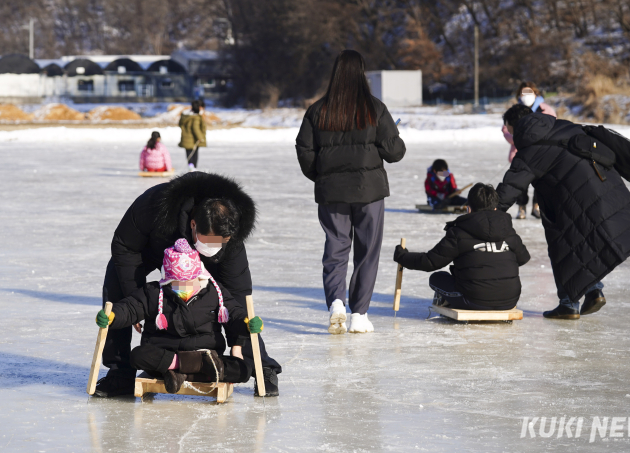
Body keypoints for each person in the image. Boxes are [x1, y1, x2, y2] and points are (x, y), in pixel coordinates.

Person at [95, 171, 282, 398]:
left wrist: (241, 338)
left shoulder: (229, 232)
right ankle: (119, 374)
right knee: (116, 284)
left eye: (220, 242)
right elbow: (124, 246)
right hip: (151, 250)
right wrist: (133, 301)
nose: (213, 245)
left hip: (204, 261)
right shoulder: (155, 205)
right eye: (209, 240)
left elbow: (238, 295)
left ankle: (263, 367)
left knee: (239, 311)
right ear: (193, 224)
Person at [497, 104, 630, 319]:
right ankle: (593, 291)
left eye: (507, 128)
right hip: (602, 188)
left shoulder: (530, 147)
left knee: (564, 246)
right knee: (583, 243)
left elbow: (511, 187)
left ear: (515, 126)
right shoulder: (563, 126)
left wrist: (486, 211)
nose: (506, 132)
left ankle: (569, 304)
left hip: (569, 200)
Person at [295, 49, 406, 334]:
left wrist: (320, 176)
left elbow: (304, 148)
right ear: (361, 73)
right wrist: (391, 136)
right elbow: (395, 152)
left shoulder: (318, 110)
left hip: (332, 192)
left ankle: (336, 303)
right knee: (367, 251)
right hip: (369, 191)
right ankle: (359, 313)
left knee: (336, 247)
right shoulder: (375, 108)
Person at [95, 239, 262, 393]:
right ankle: (192, 368)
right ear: (168, 279)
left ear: (199, 275)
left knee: (243, 369)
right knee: (138, 355)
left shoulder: (215, 292)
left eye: (190, 281)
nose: (186, 287)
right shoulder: (153, 293)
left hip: (205, 353)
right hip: (165, 355)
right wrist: (114, 316)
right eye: (178, 283)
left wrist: (246, 323)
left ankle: (179, 373)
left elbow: (233, 313)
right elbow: (131, 307)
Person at [394, 183, 529, 310]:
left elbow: (430, 262)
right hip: (510, 299)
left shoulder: (459, 232)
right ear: (495, 208)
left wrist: (403, 257)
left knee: (437, 278)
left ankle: (449, 301)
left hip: (474, 300)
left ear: (469, 208)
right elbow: (523, 258)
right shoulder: (508, 230)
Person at [501, 82, 556, 219]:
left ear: (535, 93)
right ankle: (521, 208)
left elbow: (553, 127)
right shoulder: (514, 110)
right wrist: (518, 138)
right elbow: (505, 130)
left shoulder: (545, 109)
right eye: (523, 93)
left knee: (541, 183)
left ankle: (537, 207)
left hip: (541, 153)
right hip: (520, 152)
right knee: (521, 183)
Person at [179, 100, 207, 172]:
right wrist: (200, 137)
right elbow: (195, 128)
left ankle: (191, 166)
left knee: (188, 153)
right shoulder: (196, 117)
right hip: (193, 139)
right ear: (199, 107)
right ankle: (193, 168)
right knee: (194, 153)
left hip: (186, 138)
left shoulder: (186, 115)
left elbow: (181, 124)